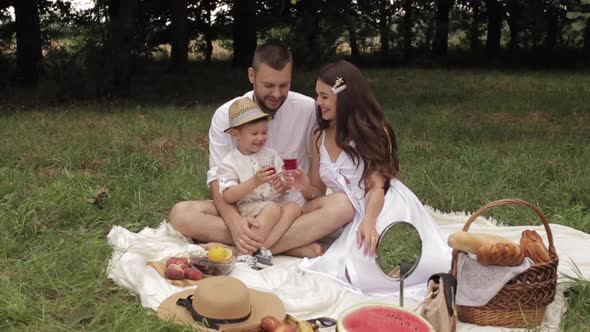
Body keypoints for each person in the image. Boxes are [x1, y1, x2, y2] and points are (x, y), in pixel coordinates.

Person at [169, 41, 355, 257]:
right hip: (245, 207)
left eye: (284, 85)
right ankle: (290, 245)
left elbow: (317, 185)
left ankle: (241, 249)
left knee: (344, 205)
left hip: (293, 211)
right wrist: (236, 223)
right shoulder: (227, 114)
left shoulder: (308, 110)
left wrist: (299, 188)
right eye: (268, 85)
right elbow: (218, 182)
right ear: (251, 75)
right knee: (182, 214)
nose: (276, 94)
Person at [296, 60, 452, 295]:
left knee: (359, 273)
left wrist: (369, 221)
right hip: (346, 210)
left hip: (381, 203)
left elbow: (376, 186)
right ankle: (268, 246)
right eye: (317, 95)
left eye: (324, 96)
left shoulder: (376, 132)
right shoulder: (319, 137)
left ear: (345, 97)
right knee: (337, 259)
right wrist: (303, 186)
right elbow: (317, 193)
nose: (318, 103)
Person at [217, 97, 302, 265]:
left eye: (264, 132)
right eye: (254, 133)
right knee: (272, 209)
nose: (260, 137)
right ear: (236, 134)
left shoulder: (270, 155)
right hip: (249, 208)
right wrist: (255, 181)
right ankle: (249, 252)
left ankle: (251, 250)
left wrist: (282, 185)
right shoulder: (230, 162)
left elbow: (281, 187)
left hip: (272, 204)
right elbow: (228, 196)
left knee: (294, 207)